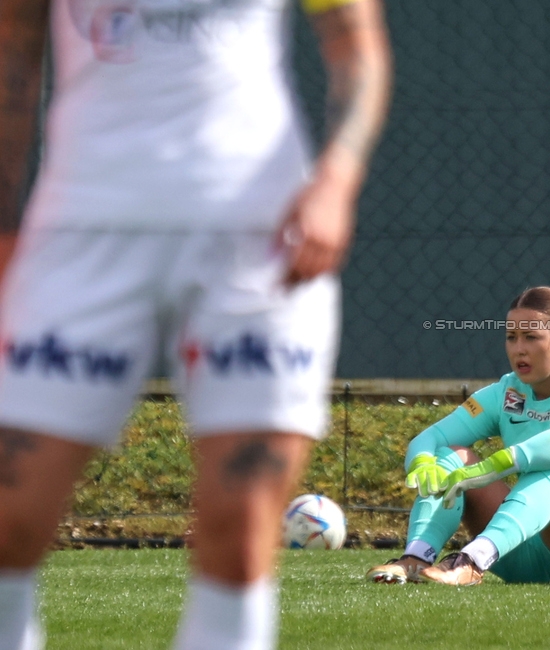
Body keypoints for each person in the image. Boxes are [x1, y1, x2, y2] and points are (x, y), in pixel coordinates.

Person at [0, 0, 391, 646]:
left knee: (239, 532)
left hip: (258, 240)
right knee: (11, 522)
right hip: (81, 232)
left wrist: (337, 180)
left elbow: (359, 47)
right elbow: (13, 46)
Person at [367, 286, 550, 586]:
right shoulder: (507, 391)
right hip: (525, 551)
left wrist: (497, 464)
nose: (519, 349)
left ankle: (473, 561)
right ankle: (416, 558)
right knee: (452, 456)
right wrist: (423, 464)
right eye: (511, 337)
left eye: (531, 337)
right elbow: (432, 437)